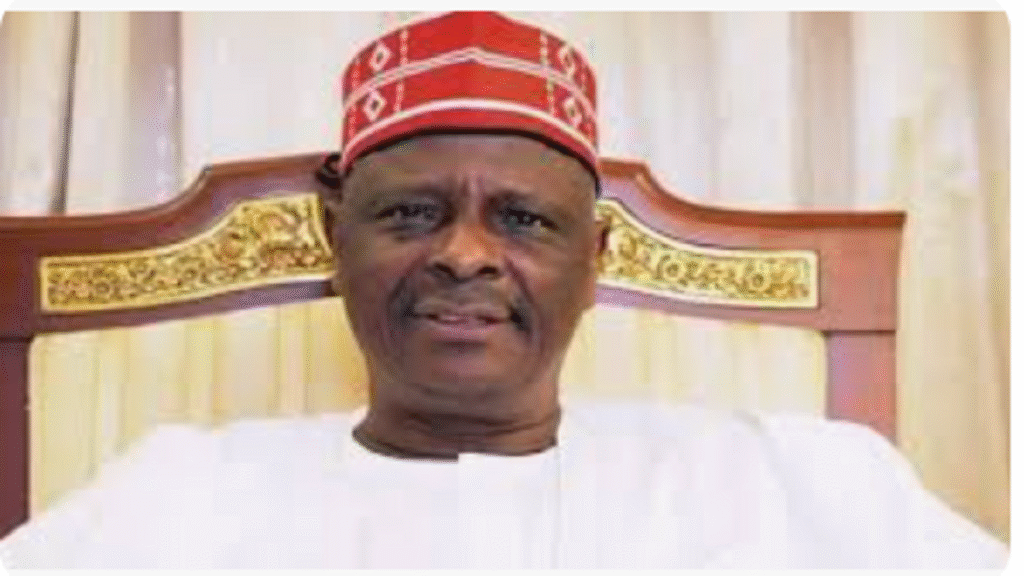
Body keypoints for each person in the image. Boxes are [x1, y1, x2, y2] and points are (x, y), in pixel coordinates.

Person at [0, 11, 1008, 569]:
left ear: (595, 258)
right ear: (334, 238)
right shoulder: (177, 497)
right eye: (411, 213)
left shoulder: (796, 481)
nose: (465, 255)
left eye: (523, 220)